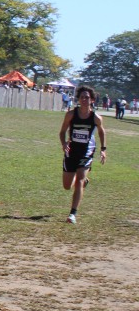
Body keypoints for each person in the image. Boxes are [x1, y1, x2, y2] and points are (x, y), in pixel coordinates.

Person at [59, 85, 106, 225]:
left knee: (79, 180)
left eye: (87, 97)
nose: (84, 99)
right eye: (82, 97)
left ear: (92, 100)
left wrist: (103, 149)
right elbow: (62, 132)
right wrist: (64, 143)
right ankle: (84, 181)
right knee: (67, 186)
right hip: (71, 151)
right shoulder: (71, 115)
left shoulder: (96, 117)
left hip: (87, 151)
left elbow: (101, 131)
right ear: (78, 99)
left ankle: (72, 214)